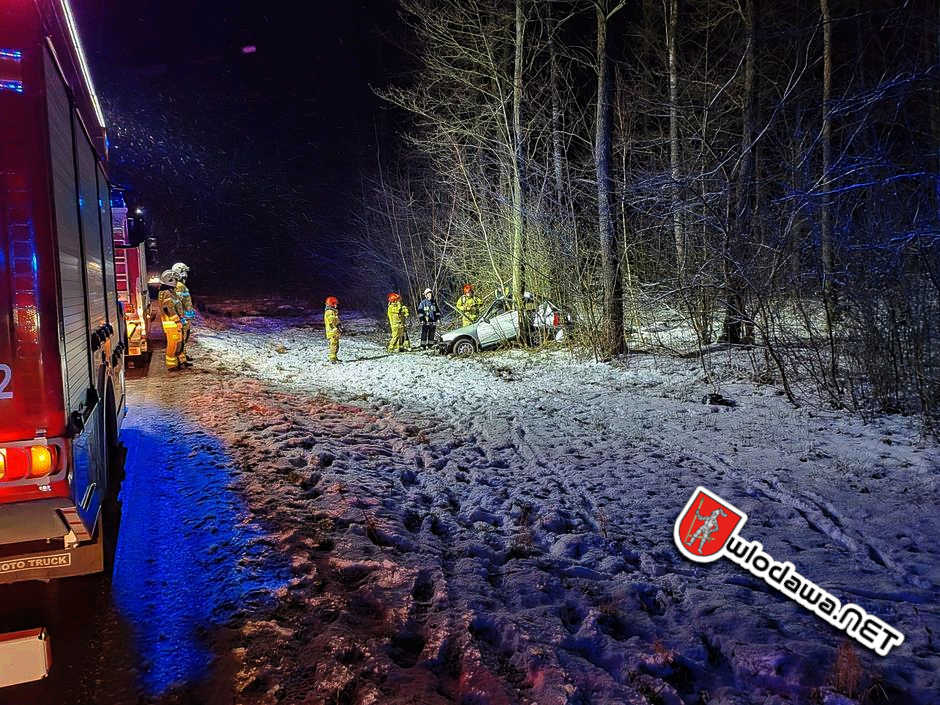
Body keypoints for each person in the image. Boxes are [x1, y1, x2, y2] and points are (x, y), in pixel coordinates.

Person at [157, 269, 187, 370]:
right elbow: (168, 308)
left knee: (177, 343)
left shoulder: (168, 291)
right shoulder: (167, 293)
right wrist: (177, 320)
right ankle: (172, 365)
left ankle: (177, 362)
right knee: (173, 344)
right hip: (172, 324)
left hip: (173, 323)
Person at [171, 262, 195, 362]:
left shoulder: (180, 285)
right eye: (184, 272)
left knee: (185, 337)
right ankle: (182, 358)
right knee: (183, 338)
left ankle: (183, 355)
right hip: (184, 317)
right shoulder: (180, 286)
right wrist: (182, 317)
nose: (186, 274)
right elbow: (178, 303)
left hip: (186, 316)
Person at [324, 296, 341, 363]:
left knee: (336, 344)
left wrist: (338, 325)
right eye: (335, 304)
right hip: (332, 331)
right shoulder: (330, 312)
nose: (336, 305)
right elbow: (332, 320)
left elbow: (335, 320)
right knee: (333, 344)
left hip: (334, 330)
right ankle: (332, 358)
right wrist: (336, 325)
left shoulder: (332, 311)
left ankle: (335, 357)